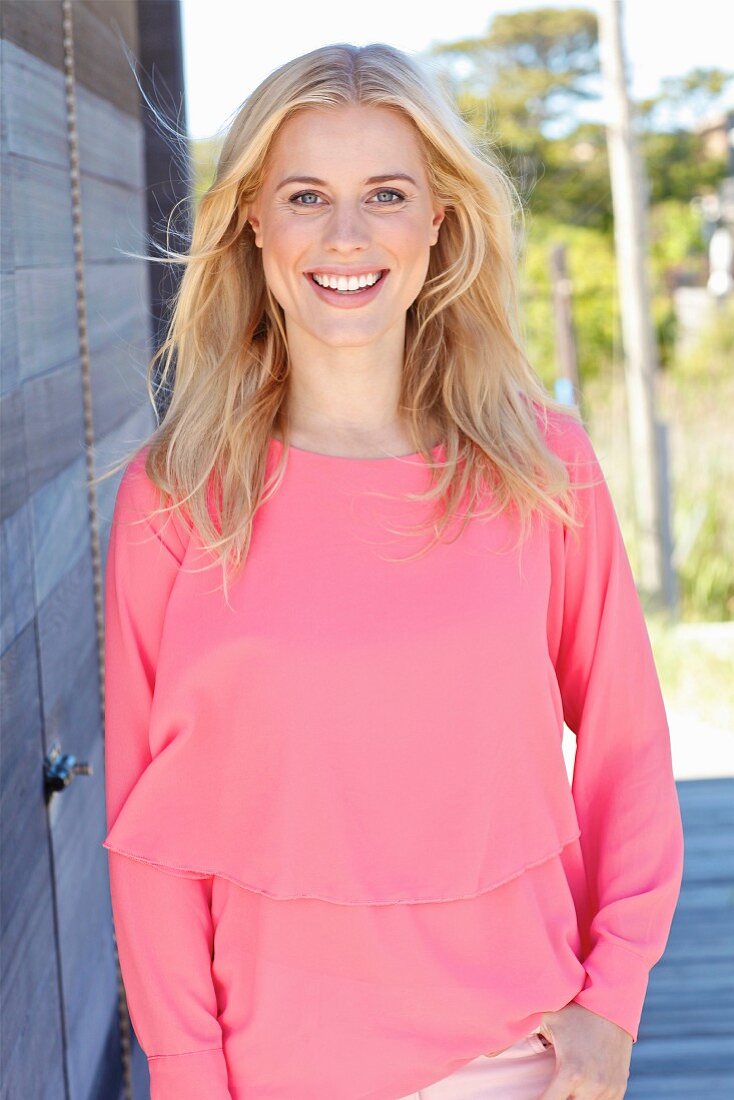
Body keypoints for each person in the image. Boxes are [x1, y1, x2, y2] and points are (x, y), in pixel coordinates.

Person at [99, 42, 684, 1100]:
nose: (346, 235)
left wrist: (612, 998)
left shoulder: (540, 467)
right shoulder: (174, 497)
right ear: (252, 223)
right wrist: (185, 1070)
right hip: (265, 1071)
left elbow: (625, 748)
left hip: (513, 1056)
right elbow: (149, 838)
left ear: (437, 222)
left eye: (385, 193)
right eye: (306, 195)